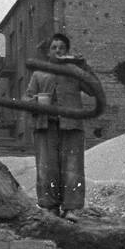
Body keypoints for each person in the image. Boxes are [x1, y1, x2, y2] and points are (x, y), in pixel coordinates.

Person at [24, 32, 93, 219]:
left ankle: (72, 208)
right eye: (54, 48)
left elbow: (93, 89)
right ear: (48, 53)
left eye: (61, 48)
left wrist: (84, 66)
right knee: (46, 167)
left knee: (73, 168)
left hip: (71, 126)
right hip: (45, 126)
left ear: (67, 51)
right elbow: (27, 98)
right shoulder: (38, 74)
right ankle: (49, 207)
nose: (58, 51)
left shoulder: (75, 72)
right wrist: (36, 102)